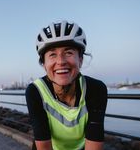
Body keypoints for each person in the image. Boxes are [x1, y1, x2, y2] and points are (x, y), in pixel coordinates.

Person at [26, 20, 107, 150]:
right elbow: (43, 145)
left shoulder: (96, 89)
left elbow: (94, 142)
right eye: (52, 54)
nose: (61, 61)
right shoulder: (35, 91)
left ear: (80, 60)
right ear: (44, 64)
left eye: (69, 52)